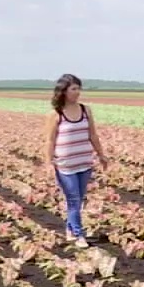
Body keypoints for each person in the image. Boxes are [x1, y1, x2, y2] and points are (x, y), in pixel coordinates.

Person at [43, 73, 109, 248]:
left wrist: (101, 155)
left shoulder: (85, 110)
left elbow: (93, 135)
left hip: (84, 162)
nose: (77, 92)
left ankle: (70, 230)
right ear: (63, 91)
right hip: (65, 165)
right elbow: (50, 140)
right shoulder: (56, 114)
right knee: (73, 199)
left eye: (79, 88)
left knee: (78, 200)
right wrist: (48, 163)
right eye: (74, 88)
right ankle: (79, 234)